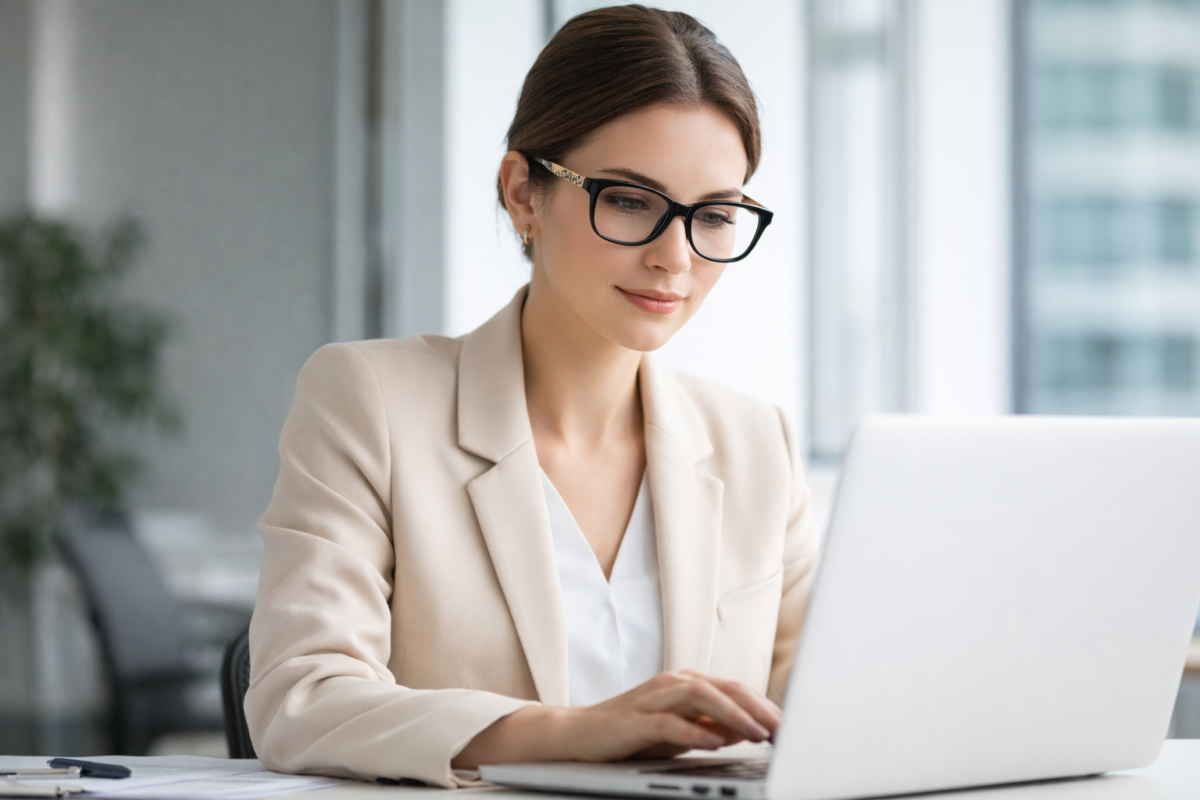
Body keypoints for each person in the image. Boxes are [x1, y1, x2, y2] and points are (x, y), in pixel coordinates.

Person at [245, 4, 819, 788]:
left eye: (714, 215)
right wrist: (573, 734)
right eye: (629, 200)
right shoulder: (371, 401)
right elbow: (301, 699)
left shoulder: (757, 442)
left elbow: (834, 707)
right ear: (523, 193)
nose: (673, 257)